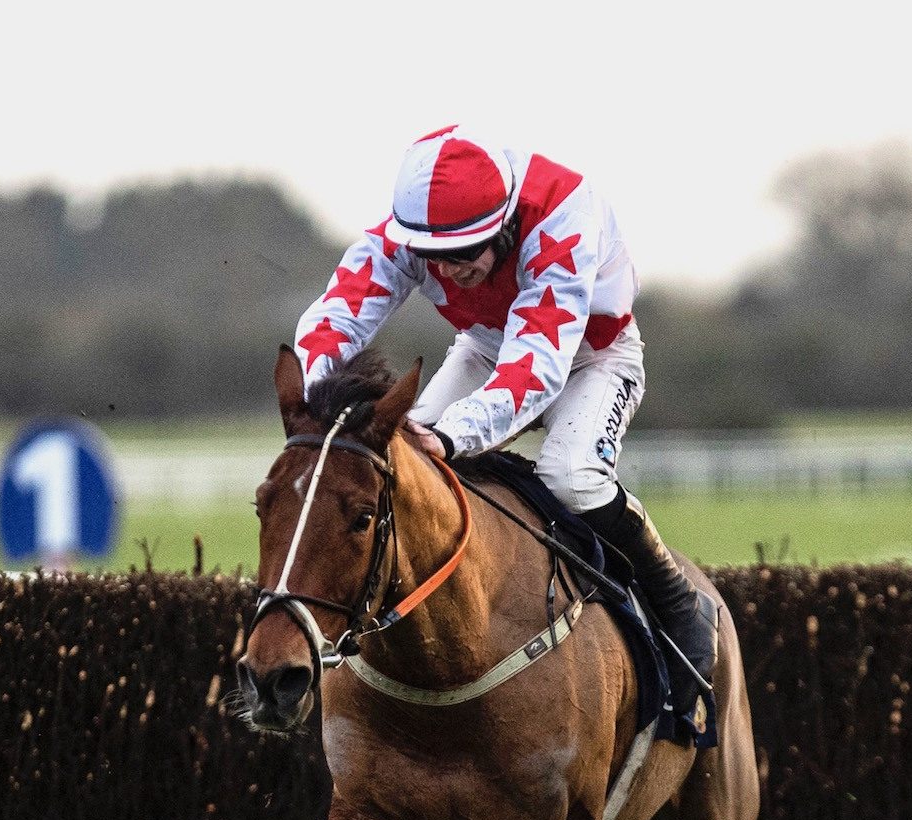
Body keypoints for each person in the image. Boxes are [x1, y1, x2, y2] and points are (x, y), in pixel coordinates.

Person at [293, 125, 715, 727]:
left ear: (508, 223)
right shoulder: (411, 229)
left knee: (571, 477)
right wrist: (313, 396)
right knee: (402, 471)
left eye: (466, 252)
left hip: (592, 357)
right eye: (435, 258)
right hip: (486, 350)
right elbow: (341, 311)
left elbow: (538, 366)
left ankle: (676, 602)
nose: (452, 270)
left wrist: (451, 434)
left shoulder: (566, 214)